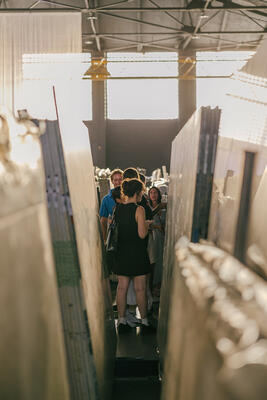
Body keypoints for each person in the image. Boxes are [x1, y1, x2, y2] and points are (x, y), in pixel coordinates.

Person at [114, 178, 154, 334]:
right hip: (137, 252)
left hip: (122, 252)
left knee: (121, 288)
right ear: (138, 193)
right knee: (140, 289)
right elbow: (142, 234)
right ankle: (144, 322)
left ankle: (122, 321)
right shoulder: (140, 210)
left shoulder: (118, 209)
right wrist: (148, 224)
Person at [148, 186, 166, 298]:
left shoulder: (164, 208)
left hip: (160, 236)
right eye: (151, 192)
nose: (153, 195)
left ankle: (158, 285)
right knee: (153, 260)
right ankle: (153, 286)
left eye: (155, 192)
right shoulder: (148, 208)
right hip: (152, 237)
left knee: (160, 259)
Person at [99, 169, 123, 242]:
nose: (118, 182)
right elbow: (103, 221)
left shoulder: (130, 196)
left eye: (120, 179)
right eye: (115, 180)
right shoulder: (106, 199)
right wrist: (104, 239)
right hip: (114, 236)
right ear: (112, 181)